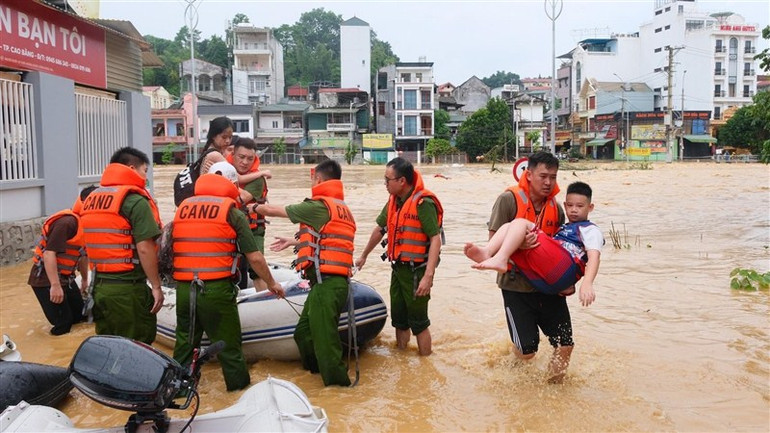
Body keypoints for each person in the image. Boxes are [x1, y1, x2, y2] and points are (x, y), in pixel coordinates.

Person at [172, 162, 284, 391]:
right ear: (233, 184)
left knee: (184, 345)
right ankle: (238, 394)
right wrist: (272, 284)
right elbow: (255, 258)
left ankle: (178, 392)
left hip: (184, 289)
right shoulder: (232, 212)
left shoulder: (183, 207)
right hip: (215, 291)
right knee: (229, 348)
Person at [258, 160, 355, 387]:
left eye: (312, 179)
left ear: (318, 179)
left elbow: (273, 210)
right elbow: (325, 239)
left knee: (326, 344)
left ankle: (339, 390)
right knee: (303, 333)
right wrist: (294, 241)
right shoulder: (339, 208)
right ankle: (314, 377)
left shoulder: (319, 206)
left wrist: (250, 207)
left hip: (328, 284)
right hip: (326, 284)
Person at [487, 151, 575, 382]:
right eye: (543, 176)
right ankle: (512, 368)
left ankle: (554, 391)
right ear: (528, 174)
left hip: (548, 286)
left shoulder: (556, 209)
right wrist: (521, 246)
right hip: (517, 287)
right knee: (528, 353)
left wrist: (570, 281)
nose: (548, 182)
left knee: (565, 344)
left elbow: (562, 249)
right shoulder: (508, 200)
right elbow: (492, 244)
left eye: (553, 177)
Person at [356, 157, 443, 356]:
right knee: (399, 320)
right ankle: (402, 360)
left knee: (419, 323)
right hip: (398, 269)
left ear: (402, 181)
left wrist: (428, 276)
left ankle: (425, 365)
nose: (385, 184)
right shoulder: (394, 202)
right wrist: (364, 256)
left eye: (388, 180)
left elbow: (435, 239)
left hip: (416, 273)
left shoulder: (423, 203)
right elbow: (380, 229)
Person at [466, 181, 602, 307]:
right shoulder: (564, 228)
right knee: (510, 227)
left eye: (580, 206)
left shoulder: (590, 230)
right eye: (570, 205)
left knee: (520, 222)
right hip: (549, 282)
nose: (574, 210)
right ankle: (488, 252)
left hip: (563, 268)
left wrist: (587, 283)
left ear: (590, 207)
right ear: (565, 205)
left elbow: (594, 257)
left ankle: (498, 257)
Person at [80, 147, 164, 344]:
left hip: (99, 287)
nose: (145, 176)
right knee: (137, 347)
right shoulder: (134, 201)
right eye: (144, 170)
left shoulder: (91, 199)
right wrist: (156, 286)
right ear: (132, 168)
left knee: (108, 346)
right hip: (128, 289)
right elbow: (145, 248)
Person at [28, 186, 96, 335]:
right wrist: (55, 286)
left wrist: (84, 280)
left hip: (67, 278)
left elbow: (83, 255)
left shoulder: (86, 224)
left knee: (79, 316)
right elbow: (49, 254)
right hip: (45, 279)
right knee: (63, 324)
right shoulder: (67, 222)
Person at [227, 138, 272, 289]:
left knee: (257, 270)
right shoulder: (222, 170)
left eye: (250, 159)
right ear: (233, 155)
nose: (245, 162)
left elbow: (243, 198)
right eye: (241, 157)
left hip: (254, 231)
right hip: (229, 230)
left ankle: (264, 304)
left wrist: (223, 181)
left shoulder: (258, 180)